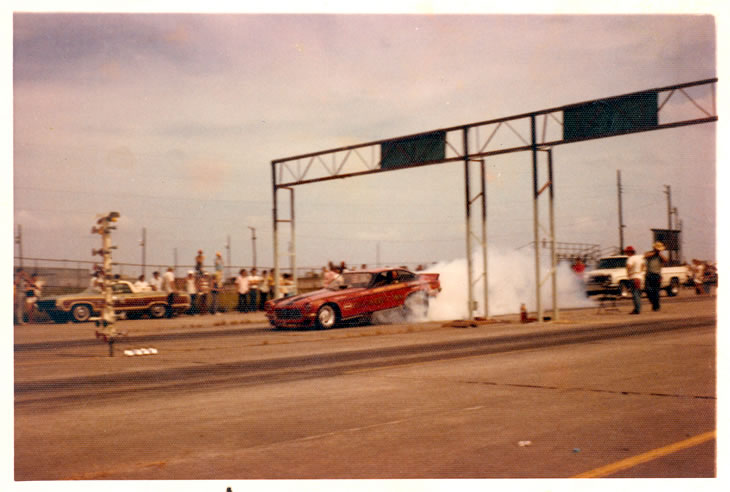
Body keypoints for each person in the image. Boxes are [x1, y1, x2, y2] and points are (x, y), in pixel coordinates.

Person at [644, 242, 667, 312]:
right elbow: (645, 256)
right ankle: (654, 303)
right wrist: (654, 253)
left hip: (657, 275)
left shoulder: (660, 256)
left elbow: (665, 260)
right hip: (649, 274)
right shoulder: (650, 253)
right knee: (648, 290)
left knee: (656, 291)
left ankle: (656, 306)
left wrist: (659, 254)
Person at [624, 246, 644, 314]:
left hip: (633, 277)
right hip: (639, 277)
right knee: (638, 293)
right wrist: (640, 272)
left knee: (635, 294)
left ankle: (637, 309)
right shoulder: (639, 257)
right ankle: (638, 308)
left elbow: (628, 266)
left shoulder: (630, 258)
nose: (626, 253)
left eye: (627, 252)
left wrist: (628, 273)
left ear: (630, 252)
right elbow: (643, 265)